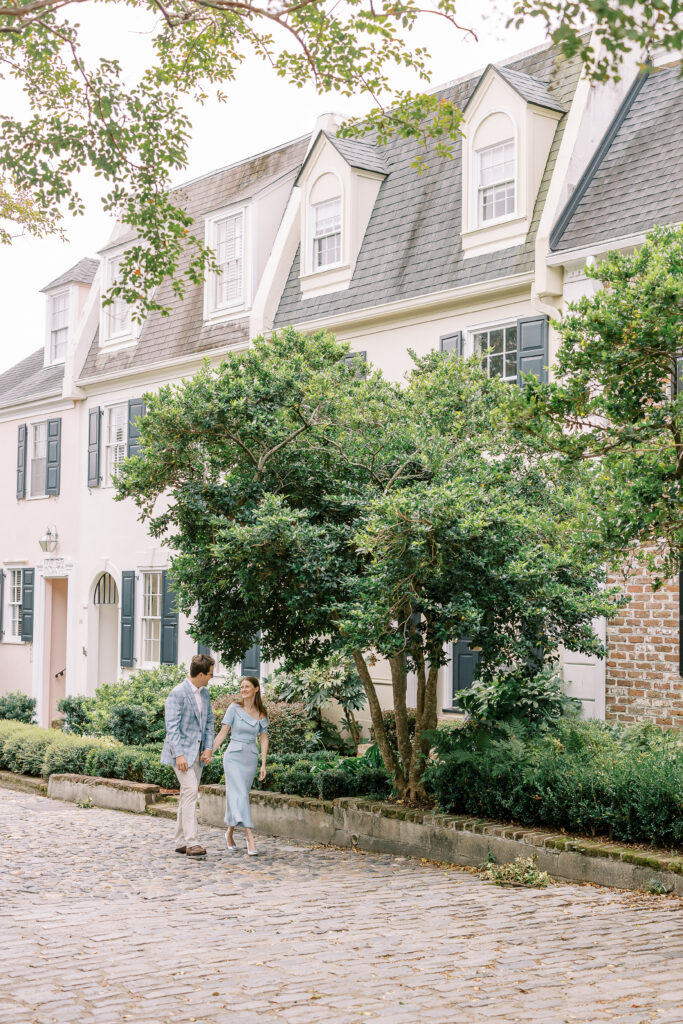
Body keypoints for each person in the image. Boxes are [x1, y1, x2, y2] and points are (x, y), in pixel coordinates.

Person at [161, 653, 215, 858]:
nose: (211, 678)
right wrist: (179, 755)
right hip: (180, 754)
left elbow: (209, 722)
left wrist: (208, 748)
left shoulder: (205, 694)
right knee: (192, 792)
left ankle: (180, 841)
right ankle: (192, 842)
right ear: (200, 674)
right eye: (210, 674)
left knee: (187, 795)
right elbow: (172, 728)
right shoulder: (178, 693)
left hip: (198, 755)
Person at [212, 676, 268, 856]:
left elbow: (264, 738)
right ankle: (250, 836)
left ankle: (229, 832)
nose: (243, 690)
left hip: (250, 758)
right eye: (241, 687)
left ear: (256, 689)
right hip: (233, 757)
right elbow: (223, 732)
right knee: (241, 795)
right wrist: (209, 752)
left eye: (247, 686)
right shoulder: (234, 709)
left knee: (238, 796)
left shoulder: (261, 713)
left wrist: (263, 763)